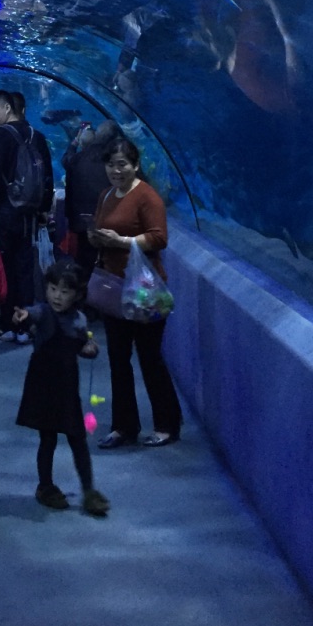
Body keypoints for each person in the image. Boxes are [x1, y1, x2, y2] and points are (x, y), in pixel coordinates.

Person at [90, 136, 183, 449]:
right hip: (115, 288)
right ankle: (123, 426)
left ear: (136, 165)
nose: (116, 171)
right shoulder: (106, 195)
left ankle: (168, 424)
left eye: (122, 165)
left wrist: (123, 242)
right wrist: (100, 239)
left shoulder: (147, 196)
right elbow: (106, 230)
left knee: (150, 357)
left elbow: (159, 238)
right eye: (111, 165)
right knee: (118, 358)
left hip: (144, 290)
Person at [13, 260, 109, 516]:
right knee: (48, 439)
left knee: (77, 438)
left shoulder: (79, 320)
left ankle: (89, 490)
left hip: (67, 390)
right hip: (43, 388)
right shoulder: (44, 313)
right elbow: (32, 313)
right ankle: (45, 486)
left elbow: (81, 345)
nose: (57, 296)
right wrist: (23, 316)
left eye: (65, 291)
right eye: (53, 288)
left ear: (77, 295)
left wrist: (88, 349)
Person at [0, 89, 54, 343]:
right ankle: (25, 324)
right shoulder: (38, 136)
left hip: (4, 211)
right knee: (24, 266)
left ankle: (7, 324)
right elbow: (47, 178)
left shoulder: (0, 136)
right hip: (29, 215)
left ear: (7, 109)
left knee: (4, 267)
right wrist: (43, 208)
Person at [63, 120, 121, 281]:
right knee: (106, 265)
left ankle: (81, 297)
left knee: (82, 263)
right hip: (107, 223)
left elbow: (65, 160)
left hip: (80, 221)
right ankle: (100, 298)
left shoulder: (78, 158)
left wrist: (74, 142)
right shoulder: (114, 162)